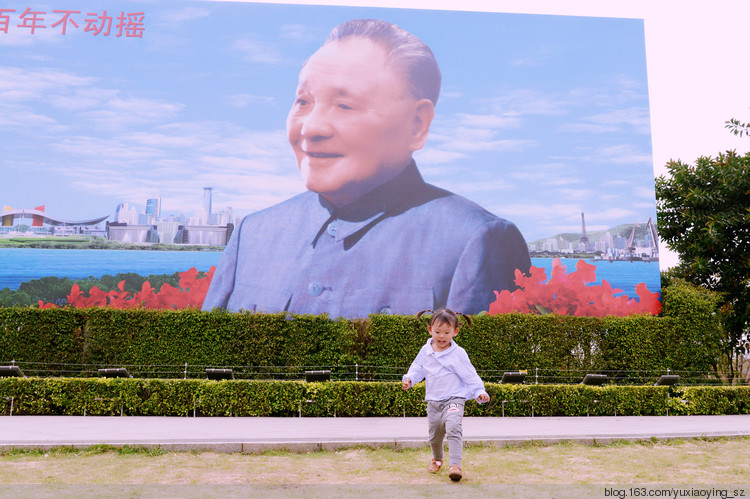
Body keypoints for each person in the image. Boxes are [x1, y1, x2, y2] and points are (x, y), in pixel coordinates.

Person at [201, 19, 531, 318]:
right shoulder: (253, 234)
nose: (311, 128)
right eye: (303, 102)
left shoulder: (475, 241)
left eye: (344, 105)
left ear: (416, 124)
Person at [402, 308, 489, 482]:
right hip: (434, 401)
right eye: (438, 332)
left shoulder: (458, 354)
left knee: (453, 428)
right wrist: (410, 379)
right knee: (435, 435)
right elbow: (417, 368)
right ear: (430, 330)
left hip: (454, 399)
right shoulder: (426, 351)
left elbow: (469, 374)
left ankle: (455, 465)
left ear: (455, 332)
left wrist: (480, 391)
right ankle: (437, 459)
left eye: (447, 332)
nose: (442, 337)